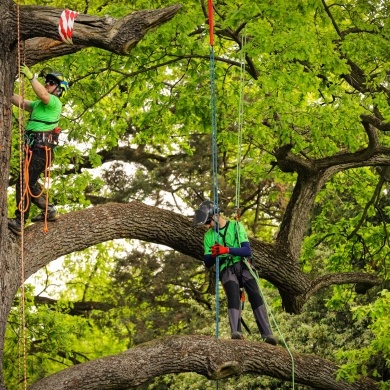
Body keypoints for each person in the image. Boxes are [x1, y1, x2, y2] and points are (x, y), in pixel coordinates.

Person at [193, 200, 277, 345]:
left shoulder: (236, 226)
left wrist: (226, 250)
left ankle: (267, 334)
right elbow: (207, 262)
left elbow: (246, 250)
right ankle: (236, 332)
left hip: (244, 266)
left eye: (207, 222)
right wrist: (213, 254)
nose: (206, 226)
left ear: (215, 216)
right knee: (233, 295)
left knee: (255, 295)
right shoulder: (208, 236)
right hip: (227, 268)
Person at [8, 64, 69, 235]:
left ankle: (20, 221)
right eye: (47, 81)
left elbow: (42, 93)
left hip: (42, 150)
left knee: (24, 182)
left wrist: (30, 76)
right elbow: (20, 101)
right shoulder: (38, 105)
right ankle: (48, 209)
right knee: (28, 182)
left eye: (51, 83)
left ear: (59, 89)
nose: (47, 84)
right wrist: (5, 91)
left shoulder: (54, 102)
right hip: (35, 150)